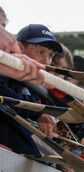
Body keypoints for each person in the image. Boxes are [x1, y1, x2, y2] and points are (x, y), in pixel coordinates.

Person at [0, 23, 62, 156]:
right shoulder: (4, 74)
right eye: (40, 52)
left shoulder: (41, 84)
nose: (46, 60)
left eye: (51, 55)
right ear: (19, 48)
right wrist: (38, 112)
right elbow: (6, 98)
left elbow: (65, 117)